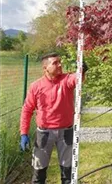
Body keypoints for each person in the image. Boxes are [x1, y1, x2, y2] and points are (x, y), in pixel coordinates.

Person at [19, 52, 88, 184]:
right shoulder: (36, 86)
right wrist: (24, 133)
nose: (59, 65)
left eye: (60, 62)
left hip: (66, 132)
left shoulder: (66, 79)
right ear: (45, 68)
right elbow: (27, 110)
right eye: (55, 63)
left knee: (68, 172)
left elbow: (77, 79)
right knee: (39, 172)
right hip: (44, 134)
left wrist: (82, 70)